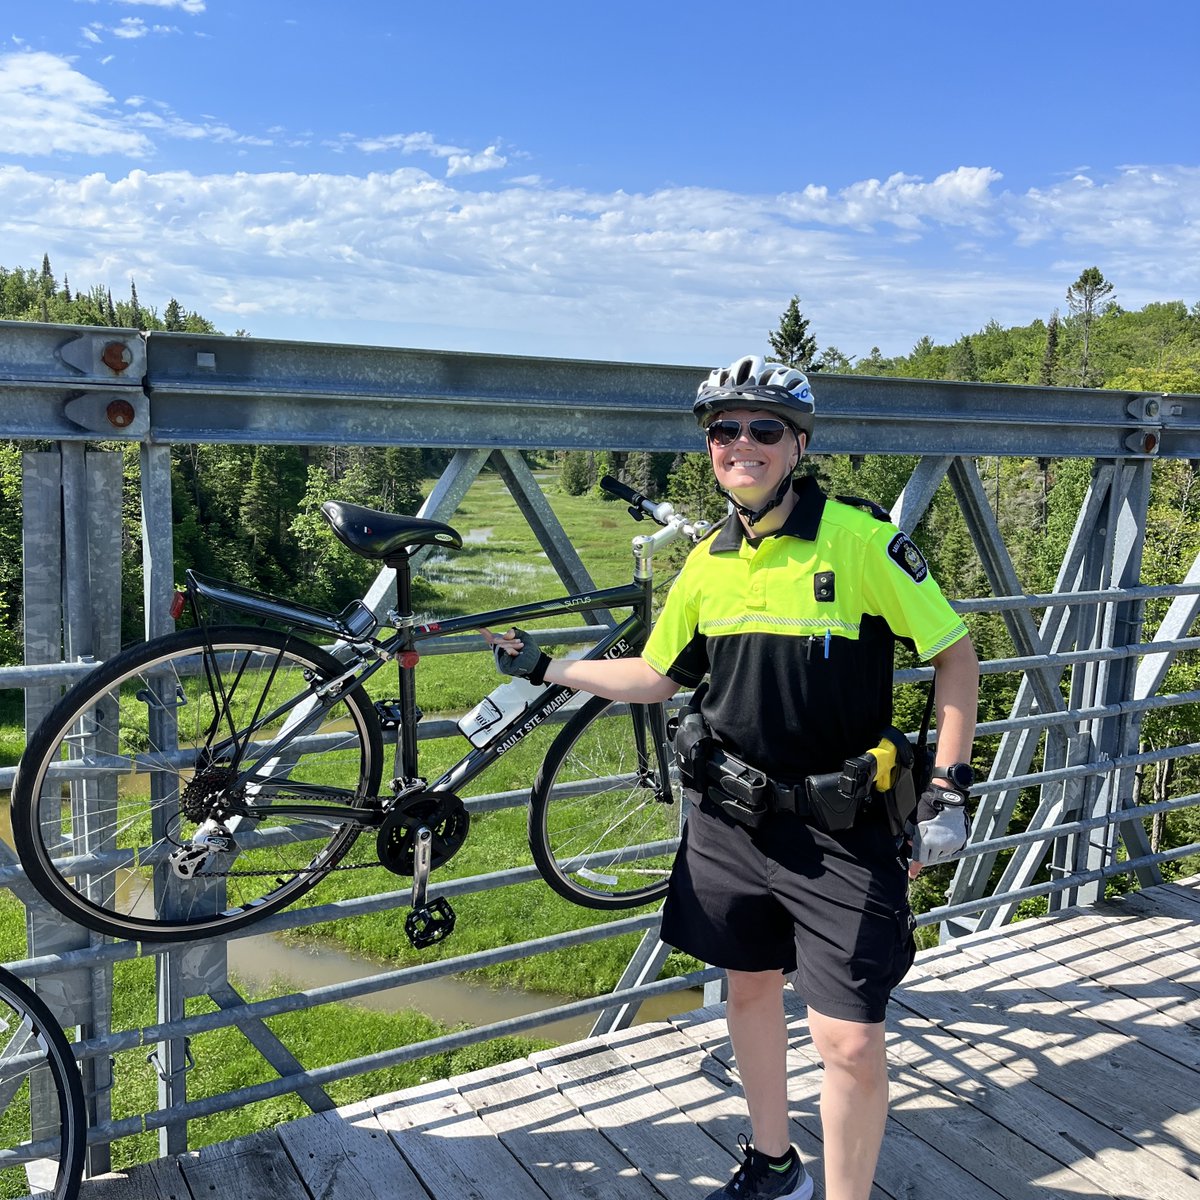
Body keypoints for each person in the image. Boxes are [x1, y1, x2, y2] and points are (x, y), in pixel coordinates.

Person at [486, 354, 978, 1200]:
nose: (740, 443)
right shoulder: (707, 563)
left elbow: (955, 656)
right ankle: (772, 1163)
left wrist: (948, 786)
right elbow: (657, 675)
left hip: (842, 825)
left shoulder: (858, 539)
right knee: (747, 992)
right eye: (724, 429)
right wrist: (549, 668)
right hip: (729, 816)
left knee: (850, 1041)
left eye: (763, 429)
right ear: (709, 445)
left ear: (797, 443)